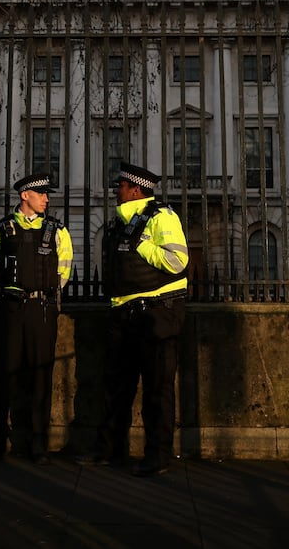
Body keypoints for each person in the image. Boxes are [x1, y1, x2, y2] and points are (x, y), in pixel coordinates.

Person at [79, 163, 190, 477]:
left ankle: (158, 456)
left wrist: (142, 245)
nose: (117, 190)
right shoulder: (118, 224)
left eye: (122, 186)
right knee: (115, 389)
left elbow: (178, 260)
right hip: (123, 315)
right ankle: (109, 450)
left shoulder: (161, 217)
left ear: (136, 189)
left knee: (157, 390)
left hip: (157, 314)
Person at [0, 172, 72, 466]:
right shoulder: (0, 230)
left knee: (40, 376)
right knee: (3, 375)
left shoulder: (57, 231)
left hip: (42, 310)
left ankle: (37, 443)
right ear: (24, 195)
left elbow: (63, 271)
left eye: (47, 194)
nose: (46, 198)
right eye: (41, 193)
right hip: (10, 309)